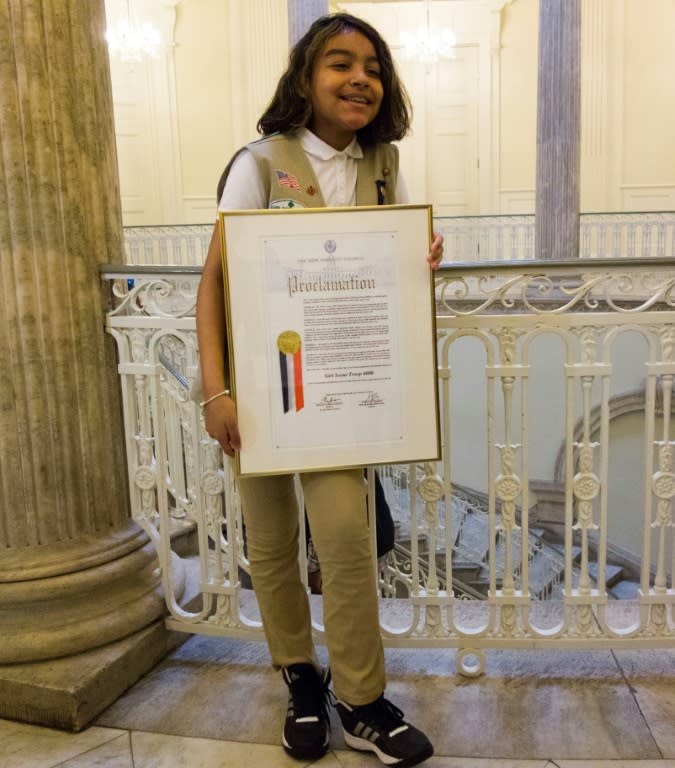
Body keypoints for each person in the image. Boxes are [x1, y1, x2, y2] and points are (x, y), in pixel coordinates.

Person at [196, 12, 443, 767]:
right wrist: (216, 392)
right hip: (261, 393)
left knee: (343, 538)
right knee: (271, 546)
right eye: (339, 63)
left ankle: (362, 701)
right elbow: (212, 286)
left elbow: (384, 271)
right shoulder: (260, 162)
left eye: (371, 65)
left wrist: (418, 260)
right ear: (305, 78)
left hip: (339, 392)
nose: (359, 77)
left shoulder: (384, 165)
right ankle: (300, 680)